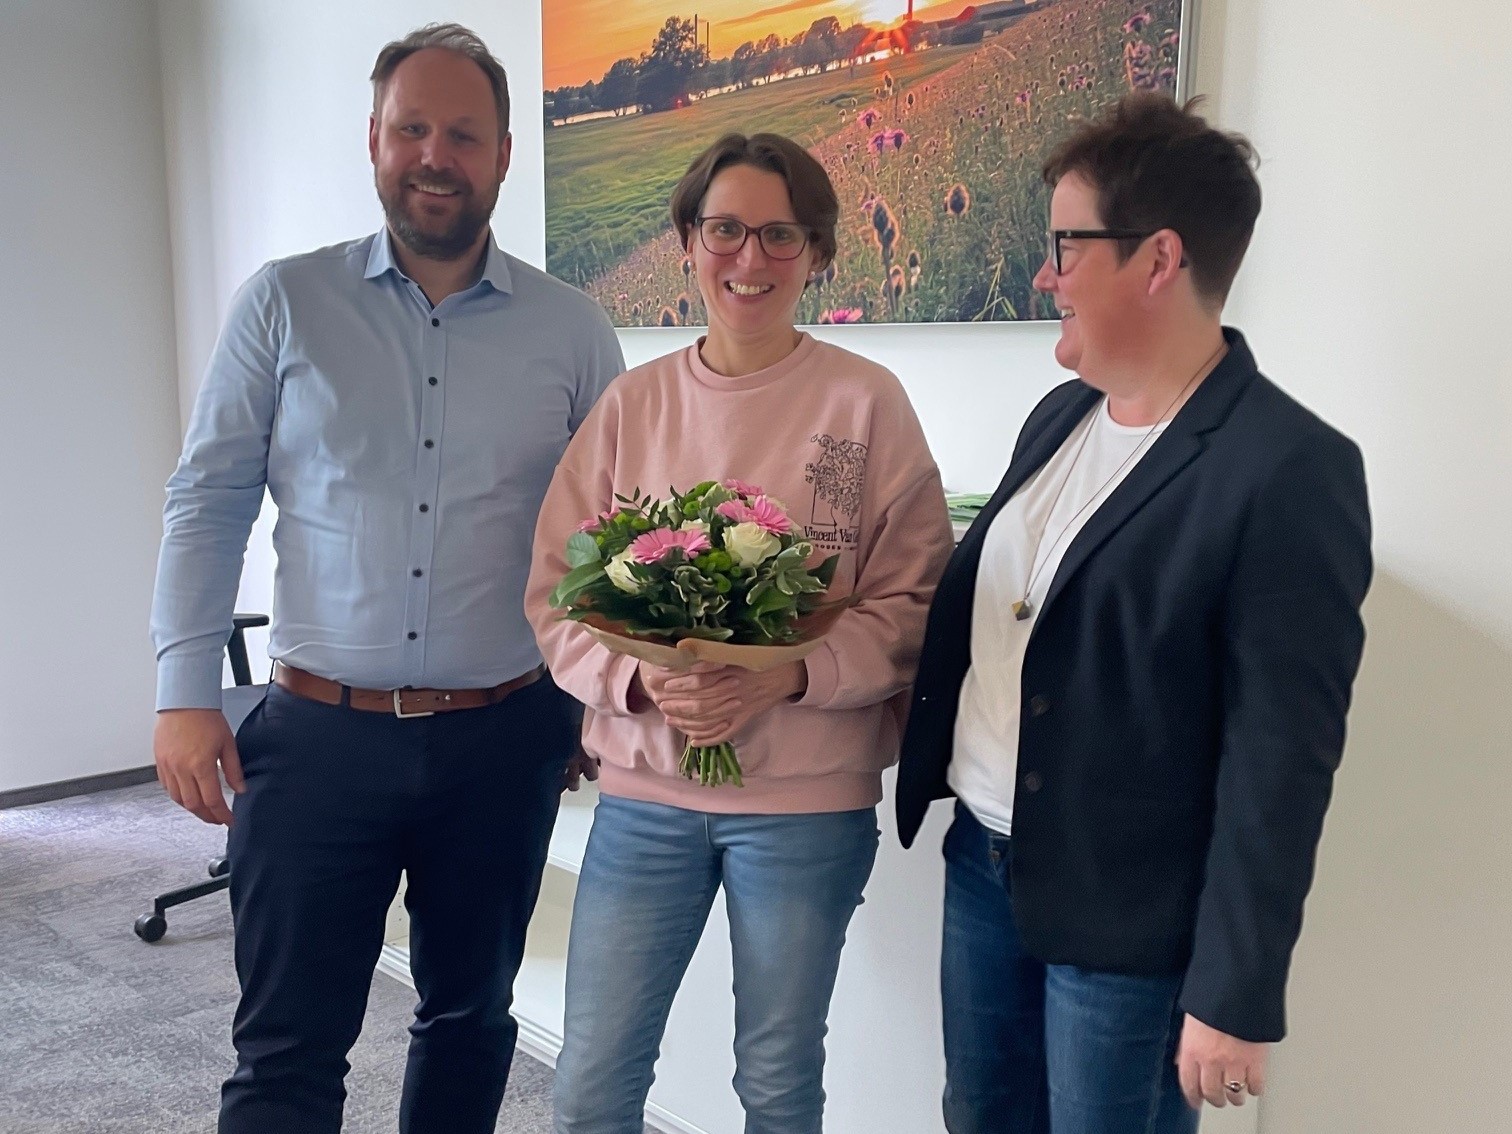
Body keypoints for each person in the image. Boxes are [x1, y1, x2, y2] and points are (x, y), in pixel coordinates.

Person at [149, 23, 623, 1134]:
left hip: (503, 738)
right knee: (286, 1049)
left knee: (469, 1021)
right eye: (412, 128)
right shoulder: (284, 303)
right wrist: (182, 691)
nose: (434, 154)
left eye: (463, 133)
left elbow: (611, 534)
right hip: (316, 740)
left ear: (504, 153)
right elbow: (208, 496)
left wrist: (599, 696)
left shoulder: (572, 330)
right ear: (374, 140)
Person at [895, 93, 1373, 1134]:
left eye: (1065, 247)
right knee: (980, 1117)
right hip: (985, 862)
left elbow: (1281, 756)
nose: (1043, 274)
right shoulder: (1060, 415)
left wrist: (1232, 991)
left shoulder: (1289, 468)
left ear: (1158, 260)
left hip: (1131, 915)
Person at [525, 131, 954, 1134]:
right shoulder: (634, 405)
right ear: (687, 242)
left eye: (780, 234)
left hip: (805, 810)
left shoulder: (866, 403)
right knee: (592, 1086)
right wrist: (638, 685)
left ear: (817, 252)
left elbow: (915, 600)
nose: (749, 260)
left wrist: (789, 676)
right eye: (725, 230)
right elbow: (556, 592)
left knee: (776, 1082)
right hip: (642, 801)